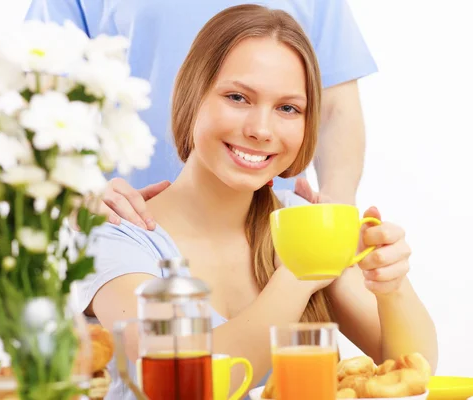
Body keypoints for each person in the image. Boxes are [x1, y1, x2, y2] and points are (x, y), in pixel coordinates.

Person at [75, 5, 438, 400]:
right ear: (191, 97)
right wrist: (297, 275)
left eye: (288, 108)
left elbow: (412, 367)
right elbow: (185, 385)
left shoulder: (300, 221)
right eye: (237, 97)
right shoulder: (116, 235)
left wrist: (392, 287)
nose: (261, 130)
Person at [25, 0, 375, 230]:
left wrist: (337, 215)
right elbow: (43, 93)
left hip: (267, 237)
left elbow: (333, 108)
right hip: (133, 224)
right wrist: (77, 195)